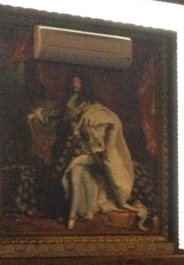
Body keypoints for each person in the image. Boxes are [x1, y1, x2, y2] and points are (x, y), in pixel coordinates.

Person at [54, 74, 142, 229]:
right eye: (73, 82)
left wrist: (93, 141)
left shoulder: (92, 104)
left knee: (75, 176)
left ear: (84, 84)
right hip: (74, 146)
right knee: (82, 178)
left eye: (78, 82)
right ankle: (86, 212)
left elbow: (107, 119)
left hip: (89, 150)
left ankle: (72, 217)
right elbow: (64, 115)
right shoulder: (71, 101)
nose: (75, 84)